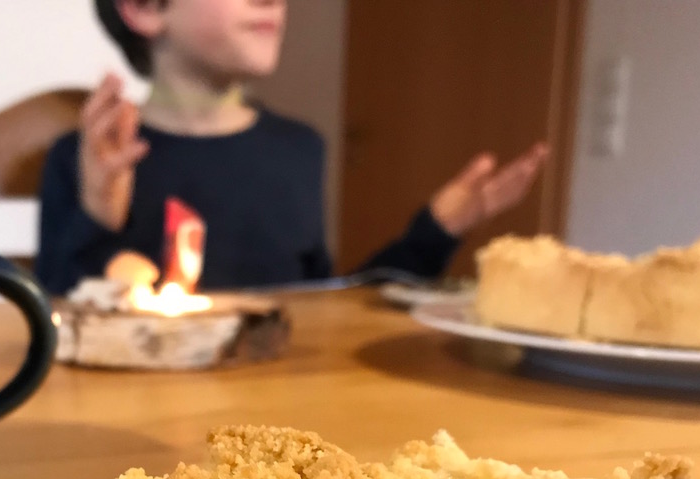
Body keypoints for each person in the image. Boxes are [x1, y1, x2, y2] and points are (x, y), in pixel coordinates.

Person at [35, 0, 549, 296]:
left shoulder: (298, 150)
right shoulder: (86, 159)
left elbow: (324, 308)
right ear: (144, 7)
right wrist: (97, 215)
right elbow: (56, 323)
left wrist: (435, 232)